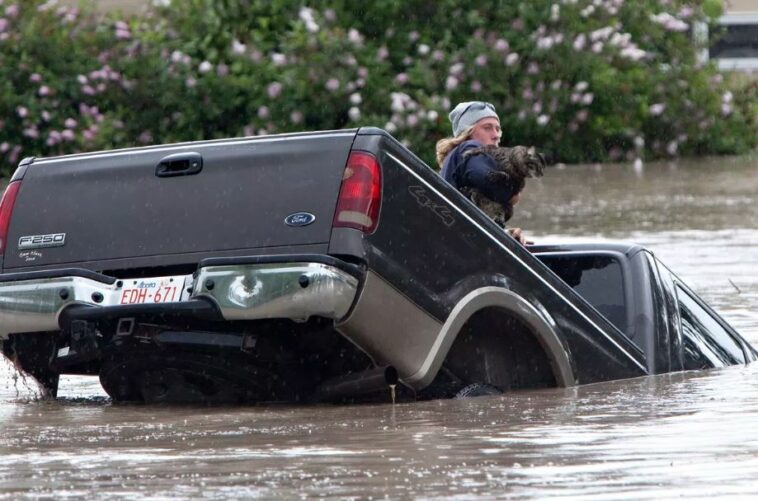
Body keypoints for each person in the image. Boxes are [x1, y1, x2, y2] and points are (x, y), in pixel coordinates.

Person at [436, 101, 537, 244]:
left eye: (497, 129)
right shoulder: (469, 147)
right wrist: (512, 193)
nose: (496, 135)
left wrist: (506, 234)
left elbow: (474, 217)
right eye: (487, 128)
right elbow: (491, 182)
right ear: (468, 133)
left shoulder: (458, 160)